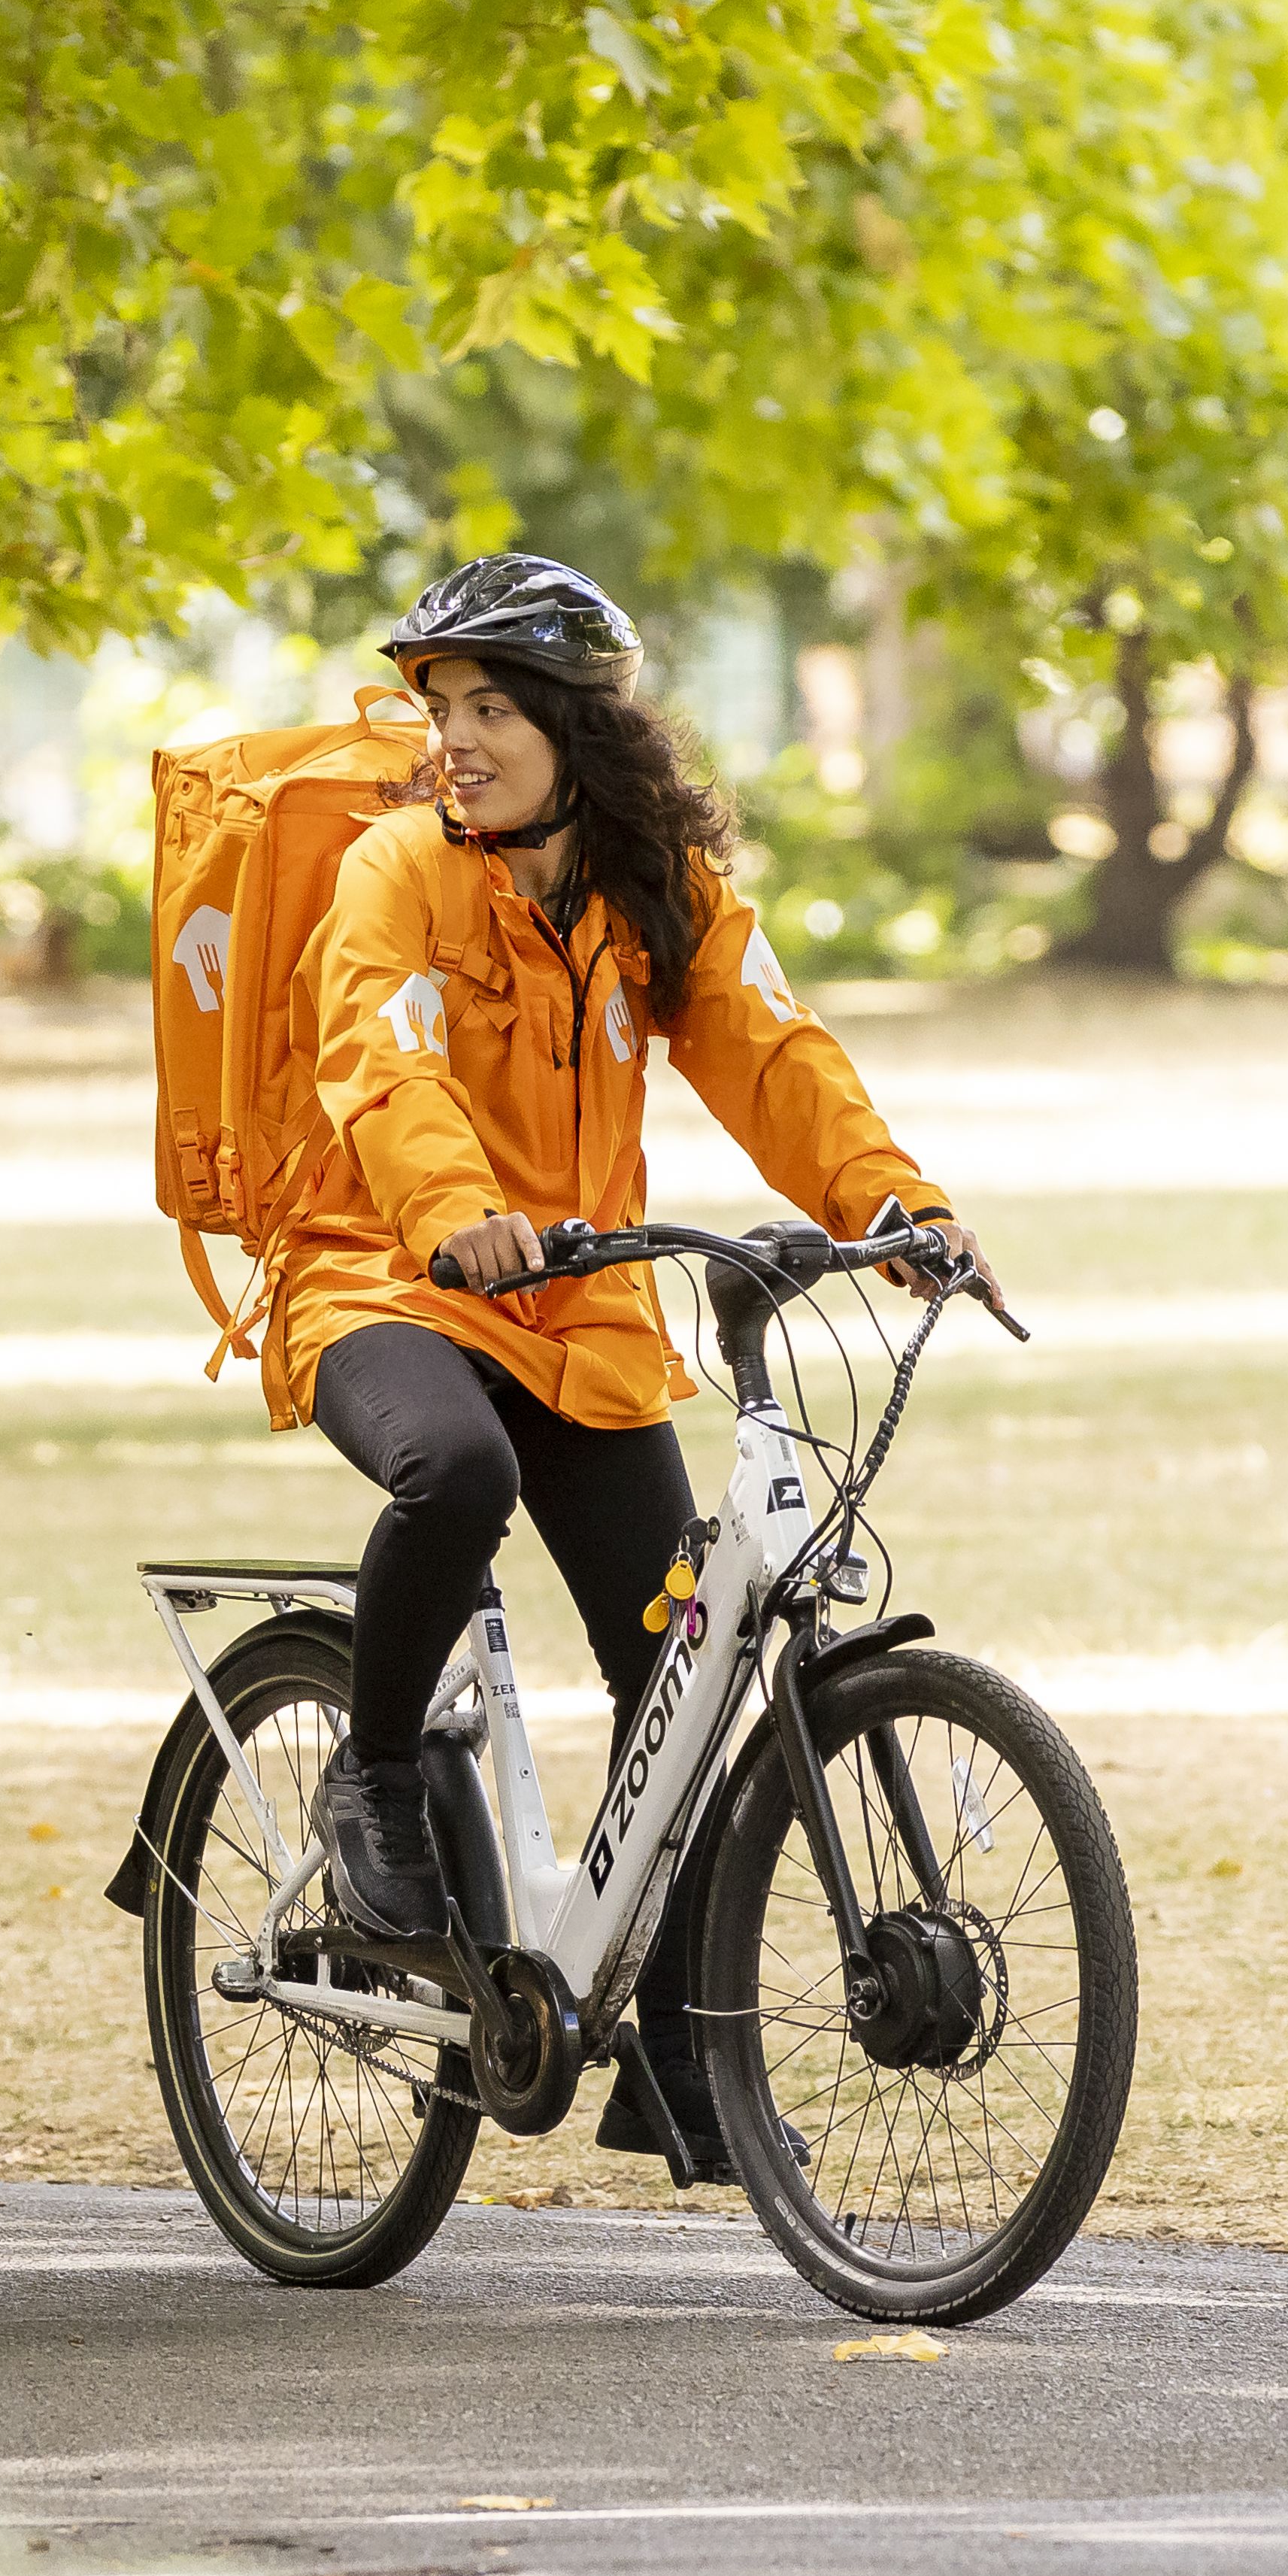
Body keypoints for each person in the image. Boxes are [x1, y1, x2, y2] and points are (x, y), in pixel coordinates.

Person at [267, 555, 990, 1943]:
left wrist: (892, 1203)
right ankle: (374, 1782)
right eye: (442, 708)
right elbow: (384, 1054)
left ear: (576, 728)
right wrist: (450, 1212)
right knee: (459, 1469)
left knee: (681, 1669)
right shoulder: (396, 870)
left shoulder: (659, 885)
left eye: (492, 709)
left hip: (581, 1304)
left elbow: (771, 1049)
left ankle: (666, 2040)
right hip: (387, 1275)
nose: (455, 741)